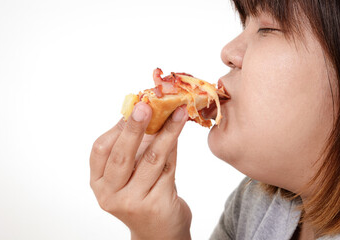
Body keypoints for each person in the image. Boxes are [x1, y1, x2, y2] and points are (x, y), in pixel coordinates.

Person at [89, 0, 340, 239]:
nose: (227, 53)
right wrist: (159, 233)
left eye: (267, 29)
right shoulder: (253, 205)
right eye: (245, 25)